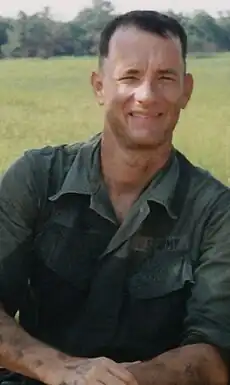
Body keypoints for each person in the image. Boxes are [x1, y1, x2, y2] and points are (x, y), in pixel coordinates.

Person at [0, 9, 230, 385]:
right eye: (130, 77)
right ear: (99, 87)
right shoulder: (37, 179)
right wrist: (63, 370)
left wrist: (115, 381)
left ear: (186, 90)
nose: (147, 95)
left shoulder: (216, 212)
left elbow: (214, 356)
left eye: (165, 78)